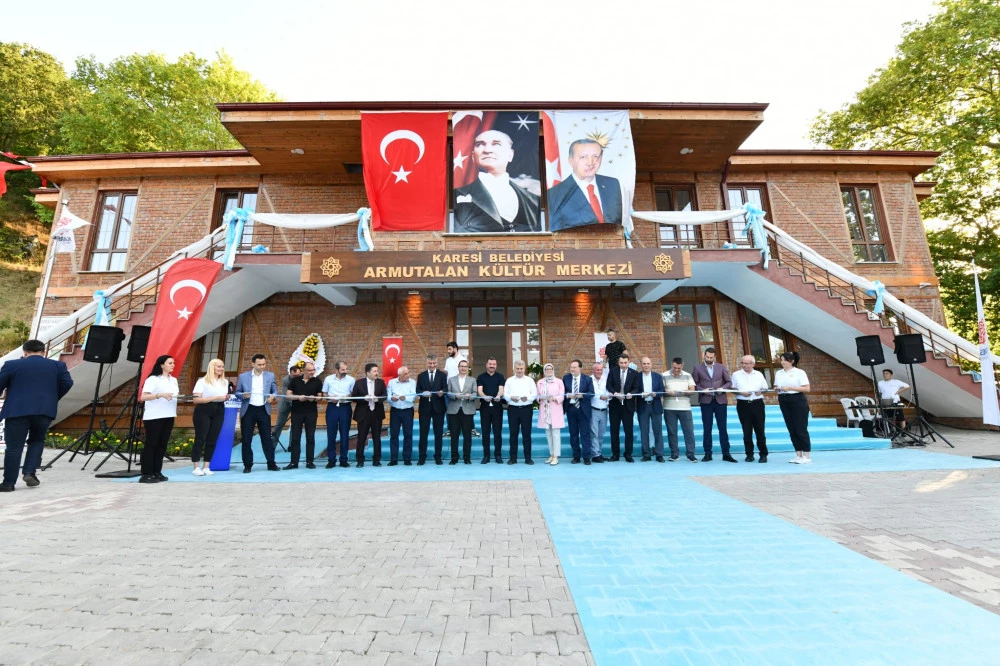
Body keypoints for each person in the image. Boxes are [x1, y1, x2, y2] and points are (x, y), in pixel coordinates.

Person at [0, 339, 73, 492]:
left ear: (25, 352)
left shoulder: (12, 365)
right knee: (37, 441)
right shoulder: (58, 366)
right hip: (44, 410)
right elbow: (67, 383)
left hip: (17, 410)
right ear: (44, 352)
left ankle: (8, 483)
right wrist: (52, 398)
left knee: (14, 447)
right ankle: (29, 472)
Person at [454, 129, 541, 233]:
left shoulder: (531, 199)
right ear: (473, 156)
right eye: (480, 144)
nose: (487, 150)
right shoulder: (458, 194)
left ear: (510, 155)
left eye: (496, 144)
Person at [546, 138, 624, 231]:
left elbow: (617, 224)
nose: (590, 163)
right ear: (571, 160)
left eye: (595, 156)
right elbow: (555, 234)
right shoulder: (554, 194)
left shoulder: (612, 184)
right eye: (583, 157)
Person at [236, 354, 280, 474]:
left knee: (267, 438)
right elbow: (237, 392)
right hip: (248, 409)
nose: (262, 367)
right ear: (253, 364)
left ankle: (271, 463)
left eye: (264, 364)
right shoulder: (243, 377)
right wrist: (243, 395)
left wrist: (273, 396)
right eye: (259, 364)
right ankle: (247, 465)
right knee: (246, 439)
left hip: (263, 409)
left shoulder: (270, 376)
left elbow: (275, 390)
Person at [139, 354, 179, 483]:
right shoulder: (153, 379)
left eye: (173, 363)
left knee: (162, 444)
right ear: (162, 365)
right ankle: (147, 473)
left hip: (169, 414)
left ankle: (157, 471)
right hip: (154, 416)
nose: (173, 365)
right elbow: (144, 397)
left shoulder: (174, 380)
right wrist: (160, 395)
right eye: (170, 363)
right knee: (152, 444)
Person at [692, 347, 736, 462]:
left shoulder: (721, 367)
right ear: (704, 355)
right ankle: (707, 453)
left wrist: (723, 388)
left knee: (723, 428)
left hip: (720, 401)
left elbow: (729, 382)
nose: (709, 359)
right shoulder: (697, 368)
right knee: (707, 428)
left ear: (714, 357)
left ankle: (726, 453)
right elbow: (694, 384)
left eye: (711, 357)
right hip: (706, 401)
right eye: (707, 357)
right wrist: (702, 390)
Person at [190, 358, 229, 477]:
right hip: (204, 410)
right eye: (218, 366)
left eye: (222, 366)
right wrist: (214, 397)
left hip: (219, 409)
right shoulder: (202, 381)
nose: (221, 369)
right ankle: (196, 466)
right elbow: (196, 400)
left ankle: (206, 466)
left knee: (212, 439)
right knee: (200, 438)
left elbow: (222, 397)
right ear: (212, 367)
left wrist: (224, 398)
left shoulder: (225, 382)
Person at [774, 351, 813, 464]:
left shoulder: (799, 372)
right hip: (783, 399)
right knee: (791, 429)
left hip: (797, 400)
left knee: (801, 429)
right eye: (781, 360)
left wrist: (790, 388)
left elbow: (806, 389)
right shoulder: (779, 373)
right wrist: (778, 388)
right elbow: (777, 386)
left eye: (785, 360)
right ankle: (798, 454)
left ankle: (806, 455)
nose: (782, 362)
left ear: (792, 361)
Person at [285, 362, 323, 469]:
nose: (312, 372)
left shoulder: (317, 381)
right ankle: (294, 462)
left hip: (311, 412)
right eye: (310, 370)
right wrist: (298, 397)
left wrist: (314, 399)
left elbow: (320, 397)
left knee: (310, 437)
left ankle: (309, 462)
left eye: (313, 370)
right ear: (303, 371)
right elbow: (288, 396)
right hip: (297, 412)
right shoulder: (295, 380)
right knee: (295, 437)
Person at [732, 355, 769, 463]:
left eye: (746, 363)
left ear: (753, 364)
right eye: (742, 363)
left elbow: (765, 388)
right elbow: (732, 389)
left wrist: (760, 392)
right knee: (747, 431)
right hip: (743, 405)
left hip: (757, 404)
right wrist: (741, 393)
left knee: (760, 430)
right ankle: (749, 454)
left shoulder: (759, 374)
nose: (744, 365)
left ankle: (763, 454)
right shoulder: (736, 375)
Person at [606, 352, 640, 462]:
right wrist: (615, 393)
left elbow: (637, 387)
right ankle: (615, 454)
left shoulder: (634, 373)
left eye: (625, 363)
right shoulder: (613, 371)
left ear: (629, 362)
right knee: (614, 431)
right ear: (618, 362)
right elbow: (608, 385)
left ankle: (628, 454)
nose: (623, 365)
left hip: (628, 406)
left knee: (628, 431)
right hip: (615, 406)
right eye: (621, 363)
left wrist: (631, 394)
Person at [351, 362, 387, 467]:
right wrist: (364, 398)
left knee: (377, 437)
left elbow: (384, 395)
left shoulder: (381, 382)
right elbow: (354, 396)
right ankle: (360, 460)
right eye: (374, 371)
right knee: (361, 437)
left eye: (377, 371)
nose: (377, 373)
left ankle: (376, 460)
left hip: (376, 413)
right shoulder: (359, 383)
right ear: (368, 372)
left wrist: (378, 399)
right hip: (363, 414)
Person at [663, 358, 698, 462]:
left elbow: (693, 390)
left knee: (689, 432)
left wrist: (683, 392)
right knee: (672, 432)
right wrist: (668, 392)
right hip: (669, 408)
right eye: (674, 368)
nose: (676, 370)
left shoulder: (688, 375)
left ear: (682, 366)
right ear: (671, 365)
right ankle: (674, 454)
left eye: (679, 368)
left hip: (685, 408)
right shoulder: (664, 375)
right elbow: (661, 389)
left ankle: (690, 454)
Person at [416, 354, 447, 464]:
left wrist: (442, 392)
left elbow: (446, 388)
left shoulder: (442, 375)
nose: (432, 365)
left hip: (439, 408)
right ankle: (422, 457)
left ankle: (438, 457)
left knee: (438, 434)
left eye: (434, 363)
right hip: (425, 408)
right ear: (426, 363)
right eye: (430, 363)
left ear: (437, 363)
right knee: (423, 434)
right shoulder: (421, 376)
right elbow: (417, 390)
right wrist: (422, 393)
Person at [504, 360, 537, 464]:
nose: (519, 370)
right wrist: (510, 398)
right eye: (517, 368)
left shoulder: (530, 380)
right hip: (513, 409)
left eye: (521, 368)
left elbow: (534, 394)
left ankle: (528, 458)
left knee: (526, 434)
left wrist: (527, 398)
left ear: (524, 369)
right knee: (513, 434)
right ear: (514, 369)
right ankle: (513, 458)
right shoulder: (509, 380)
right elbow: (505, 394)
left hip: (526, 409)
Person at [322, 361, 354, 468]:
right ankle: (331, 460)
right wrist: (330, 398)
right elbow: (324, 393)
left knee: (345, 434)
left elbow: (353, 393)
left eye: (346, 369)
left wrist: (347, 397)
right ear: (336, 370)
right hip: (332, 407)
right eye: (343, 369)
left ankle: (344, 460)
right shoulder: (328, 379)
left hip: (345, 407)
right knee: (331, 434)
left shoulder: (351, 380)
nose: (345, 371)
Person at [446, 360, 478, 464]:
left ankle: (467, 458)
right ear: (458, 367)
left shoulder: (472, 380)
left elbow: (475, 393)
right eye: (461, 366)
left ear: (467, 368)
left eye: (465, 366)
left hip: (467, 410)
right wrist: (455, 396)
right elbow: (448, 393)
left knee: (467, 436)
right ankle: (454, 458)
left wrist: (470, 396)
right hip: (454, 410)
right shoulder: (451, 379)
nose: (463, 368)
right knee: (454, 436)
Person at [563, 359, 594, 464]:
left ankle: (586, 457)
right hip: (571, 409)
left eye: (574, 367)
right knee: (573, 434)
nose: (572, 369)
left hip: (583, 409)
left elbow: (592, 393)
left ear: (580, 368)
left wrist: (583, 395)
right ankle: (576, 456)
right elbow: (562, 392)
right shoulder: (566, 378)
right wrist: (568, 395)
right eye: (571, 367)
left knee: (585, 434)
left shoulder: (587, 379)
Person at [476, 357, 506, 463]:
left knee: (497, 432)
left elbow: (501, 389)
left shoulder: (500, 376)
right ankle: (486, 456)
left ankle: (498, 455)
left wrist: (498, 396)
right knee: (485, 432)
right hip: (485, 408)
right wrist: (484, 396)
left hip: (497, 408)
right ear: (486, 365)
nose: (492, 366)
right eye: (490, 364)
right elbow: (479, 390)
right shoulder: (481, 377)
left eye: (493, 364)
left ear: (496, 365)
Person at [637, 356, 666, 462]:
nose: (646, 366)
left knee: (658, 431)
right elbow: (634, 390)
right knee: (644, 431)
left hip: (655, 405)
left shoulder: (657, 376)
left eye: (648, 363)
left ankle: (659, 454)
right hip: (643, 406)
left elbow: (662, 390)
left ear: (651, 364)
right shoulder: (637, 376)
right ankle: (646, 454)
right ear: (641, 365)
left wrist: (656, 394)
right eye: (644, 364)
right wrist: (641, 394)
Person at [387, 365, 417, 466]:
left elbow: (414, 396)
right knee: (394, 435)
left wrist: (406, 398)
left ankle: (407, 458)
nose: (408, 375)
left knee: (408, 434)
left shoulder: (412, 382)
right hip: (395, 410)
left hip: (408, 410)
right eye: (405, 374)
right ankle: (393, 459)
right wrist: (392, 399)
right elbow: (388, 396)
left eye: (408, 373)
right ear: (399, 375)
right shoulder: (392, 382)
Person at [537, 363, 566, 465]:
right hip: (545, 410)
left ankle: (556, 456)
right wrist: (540, 398)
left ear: (553, 370)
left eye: (550, 369)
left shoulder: (559, 382)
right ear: (544, 371)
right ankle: (552, 454)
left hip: (555, 410)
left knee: (556, 434)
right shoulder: (540, 382)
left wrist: (554, 398)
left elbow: (562, 396)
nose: (549, 371)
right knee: (548, 434)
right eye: (547, 369)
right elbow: (537, 396)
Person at [271, 365, 302, 445]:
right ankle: (272, 445)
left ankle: (292, 445)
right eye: (294, 376)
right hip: (285, 403)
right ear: (290, 373)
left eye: (298, 375)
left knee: (295, 425)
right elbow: (286, 395)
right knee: (279, 424)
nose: (296, 377)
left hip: (297, 404)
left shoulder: (303, 378)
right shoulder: (285, 380)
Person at [589, 361, 610, 463]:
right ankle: (595, 454)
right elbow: (591, 393)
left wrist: (608, 396)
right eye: (597, 369)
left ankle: (599, 453)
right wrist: (600, 396)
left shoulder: (606, 379)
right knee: (594, 433)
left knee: (601, 434)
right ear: (593, 370)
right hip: (593, 409)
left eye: (601, 370)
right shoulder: (589, 379)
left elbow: (609, 391)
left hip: (604, 410)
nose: (599, 371)